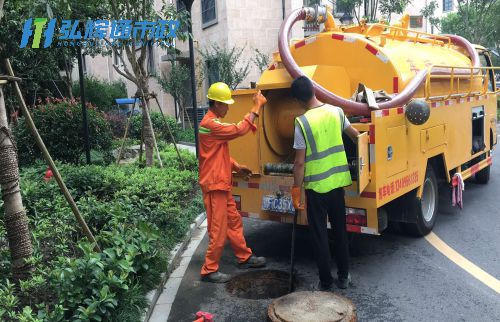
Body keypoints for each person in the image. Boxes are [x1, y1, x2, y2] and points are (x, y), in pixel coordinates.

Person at [290, 76, 359, 290]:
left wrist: (295, 189)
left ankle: (326, 282)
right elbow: (356, 136)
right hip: (337, 185)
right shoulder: (337, 112)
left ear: (298, 100)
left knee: (320, 236)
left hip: (316, 189)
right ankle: (344, 277)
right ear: (314, 90)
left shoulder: (302, 122)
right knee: (340, 231)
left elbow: (299, 163)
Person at [198, 82, 267, 283]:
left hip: (222, 183)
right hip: (215, 185)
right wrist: (256, 106)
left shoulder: (213, 124)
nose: (228, 107)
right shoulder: (210, 124)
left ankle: (244, 257)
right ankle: (209, 270)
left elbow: (216, 156)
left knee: (234, 221)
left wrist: (237, 167)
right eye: (226, 104)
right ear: (217, 104)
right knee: (218, 230)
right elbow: (238, 130)